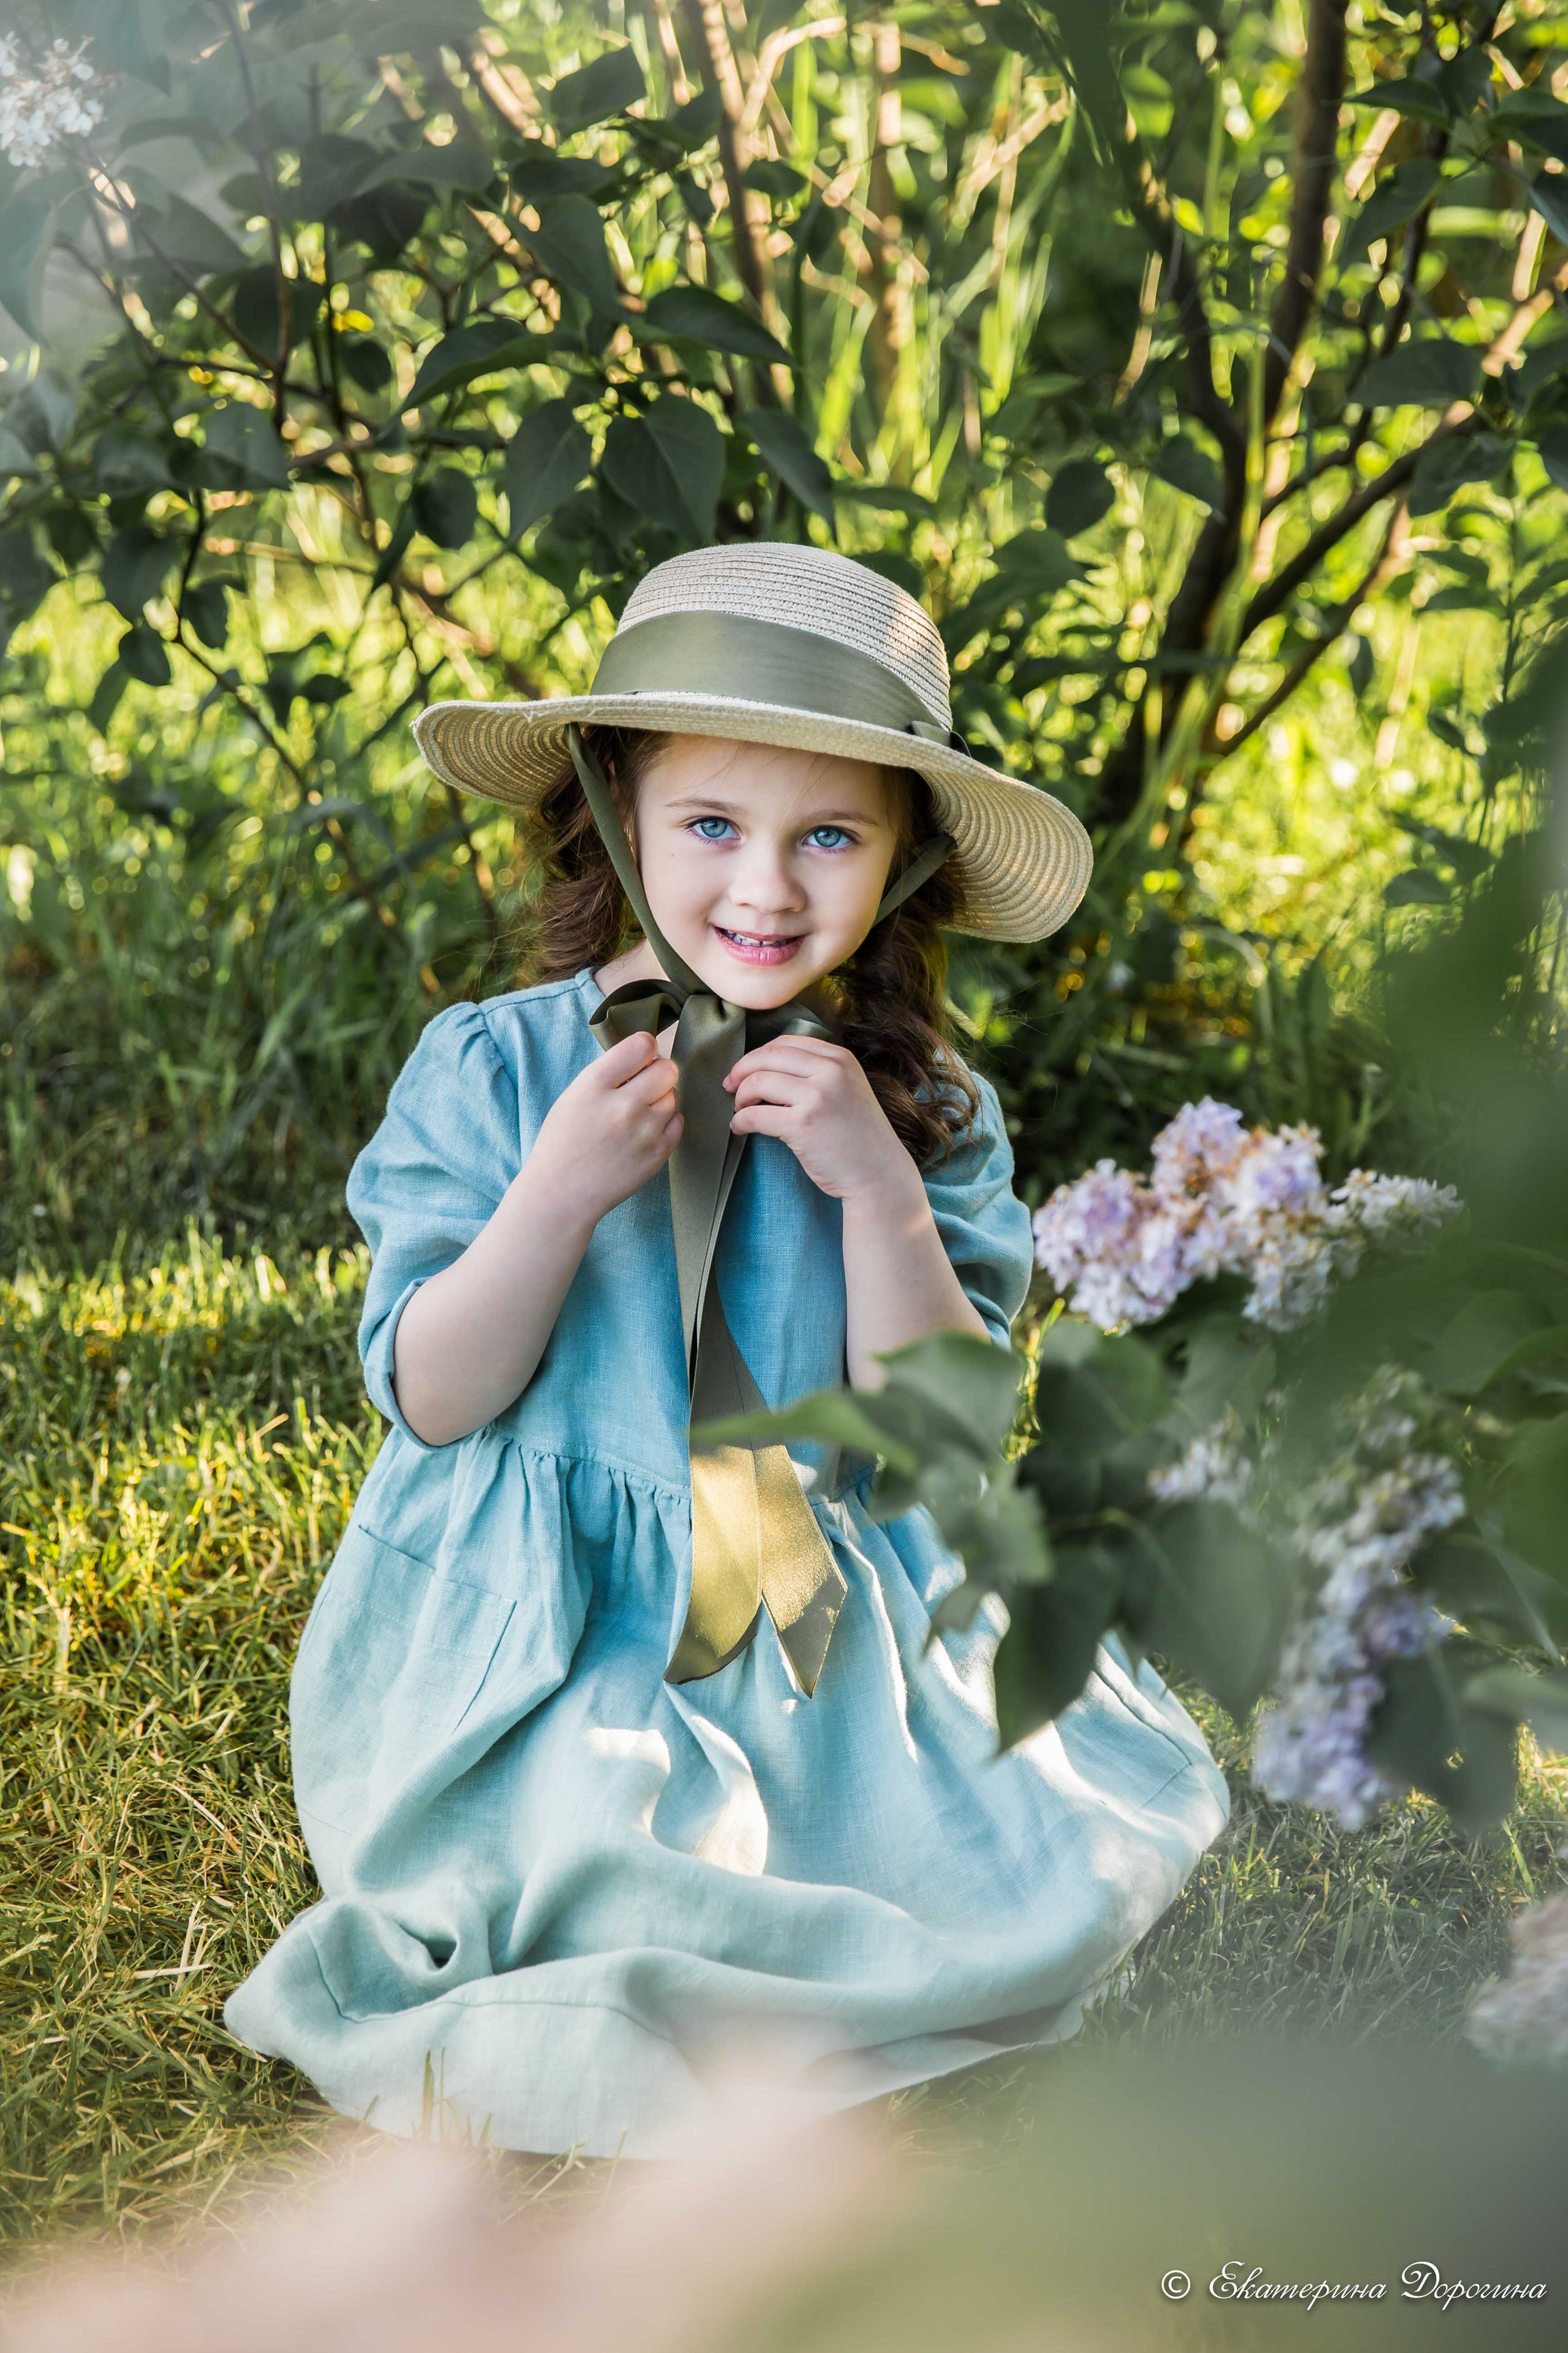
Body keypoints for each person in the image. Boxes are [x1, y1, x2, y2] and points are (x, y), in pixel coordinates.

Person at [225, 543, 1229, 2157]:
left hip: (822, 1621)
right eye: (713, 825)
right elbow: (432, 1388)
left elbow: (940, 1442)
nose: (765, 890)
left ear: (902, 863)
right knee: (572, 1849)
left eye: (828, 834)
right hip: (549, 1614)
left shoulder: (920, 1115)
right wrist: (549, 1203)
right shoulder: (490, 1074)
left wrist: (881, 1200)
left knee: (957, 1847)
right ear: (622, 809)